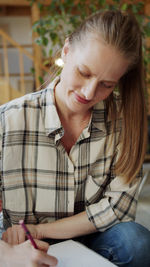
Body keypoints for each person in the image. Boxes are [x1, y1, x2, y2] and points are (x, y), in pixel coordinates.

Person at [0, 9, 150, 267]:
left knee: (136, 242)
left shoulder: (125, 123)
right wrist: (9, 251)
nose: (89, 92)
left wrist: (39, 230)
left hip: (96, 240)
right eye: (84, 72)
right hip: (22, 242)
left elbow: (119, 209)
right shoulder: (8, 120)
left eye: (107, 84)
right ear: (66, 51)